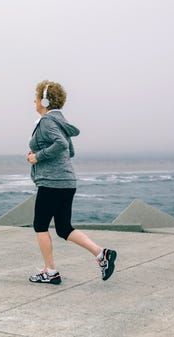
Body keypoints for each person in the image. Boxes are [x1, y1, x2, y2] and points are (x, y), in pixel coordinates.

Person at [26, 80, 117, 284]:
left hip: (52, 183)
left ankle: (50, 272)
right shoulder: (61, 122)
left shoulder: (48, 122)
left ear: (45, 100)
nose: (34, 100)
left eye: (37, 96)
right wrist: (42, 154)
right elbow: (70, 151)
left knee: (40, 226)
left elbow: (59, 144)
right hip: (67, 182)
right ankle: (101, 254)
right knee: (64, 228)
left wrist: (37, 156)